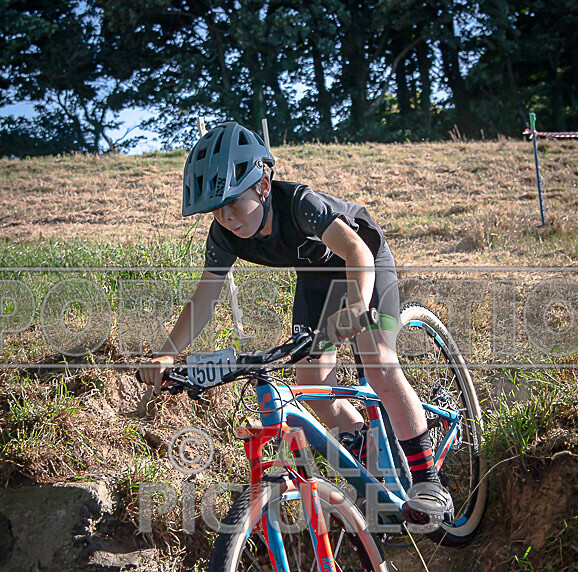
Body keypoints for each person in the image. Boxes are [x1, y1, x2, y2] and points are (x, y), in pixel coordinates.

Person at [139, 121, 453, 528]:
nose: (226, 217)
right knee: (313, 384)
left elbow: (356, 251)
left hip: (365, 265)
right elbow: (203, 299)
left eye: (233, 202)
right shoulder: (224, 235)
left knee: (377, 364)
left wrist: (357, 305)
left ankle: (428, 481)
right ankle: (367, 448)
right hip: (317, 280)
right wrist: (167, 353)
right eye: (216, 209)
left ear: (263, 186)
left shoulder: (300, 203)